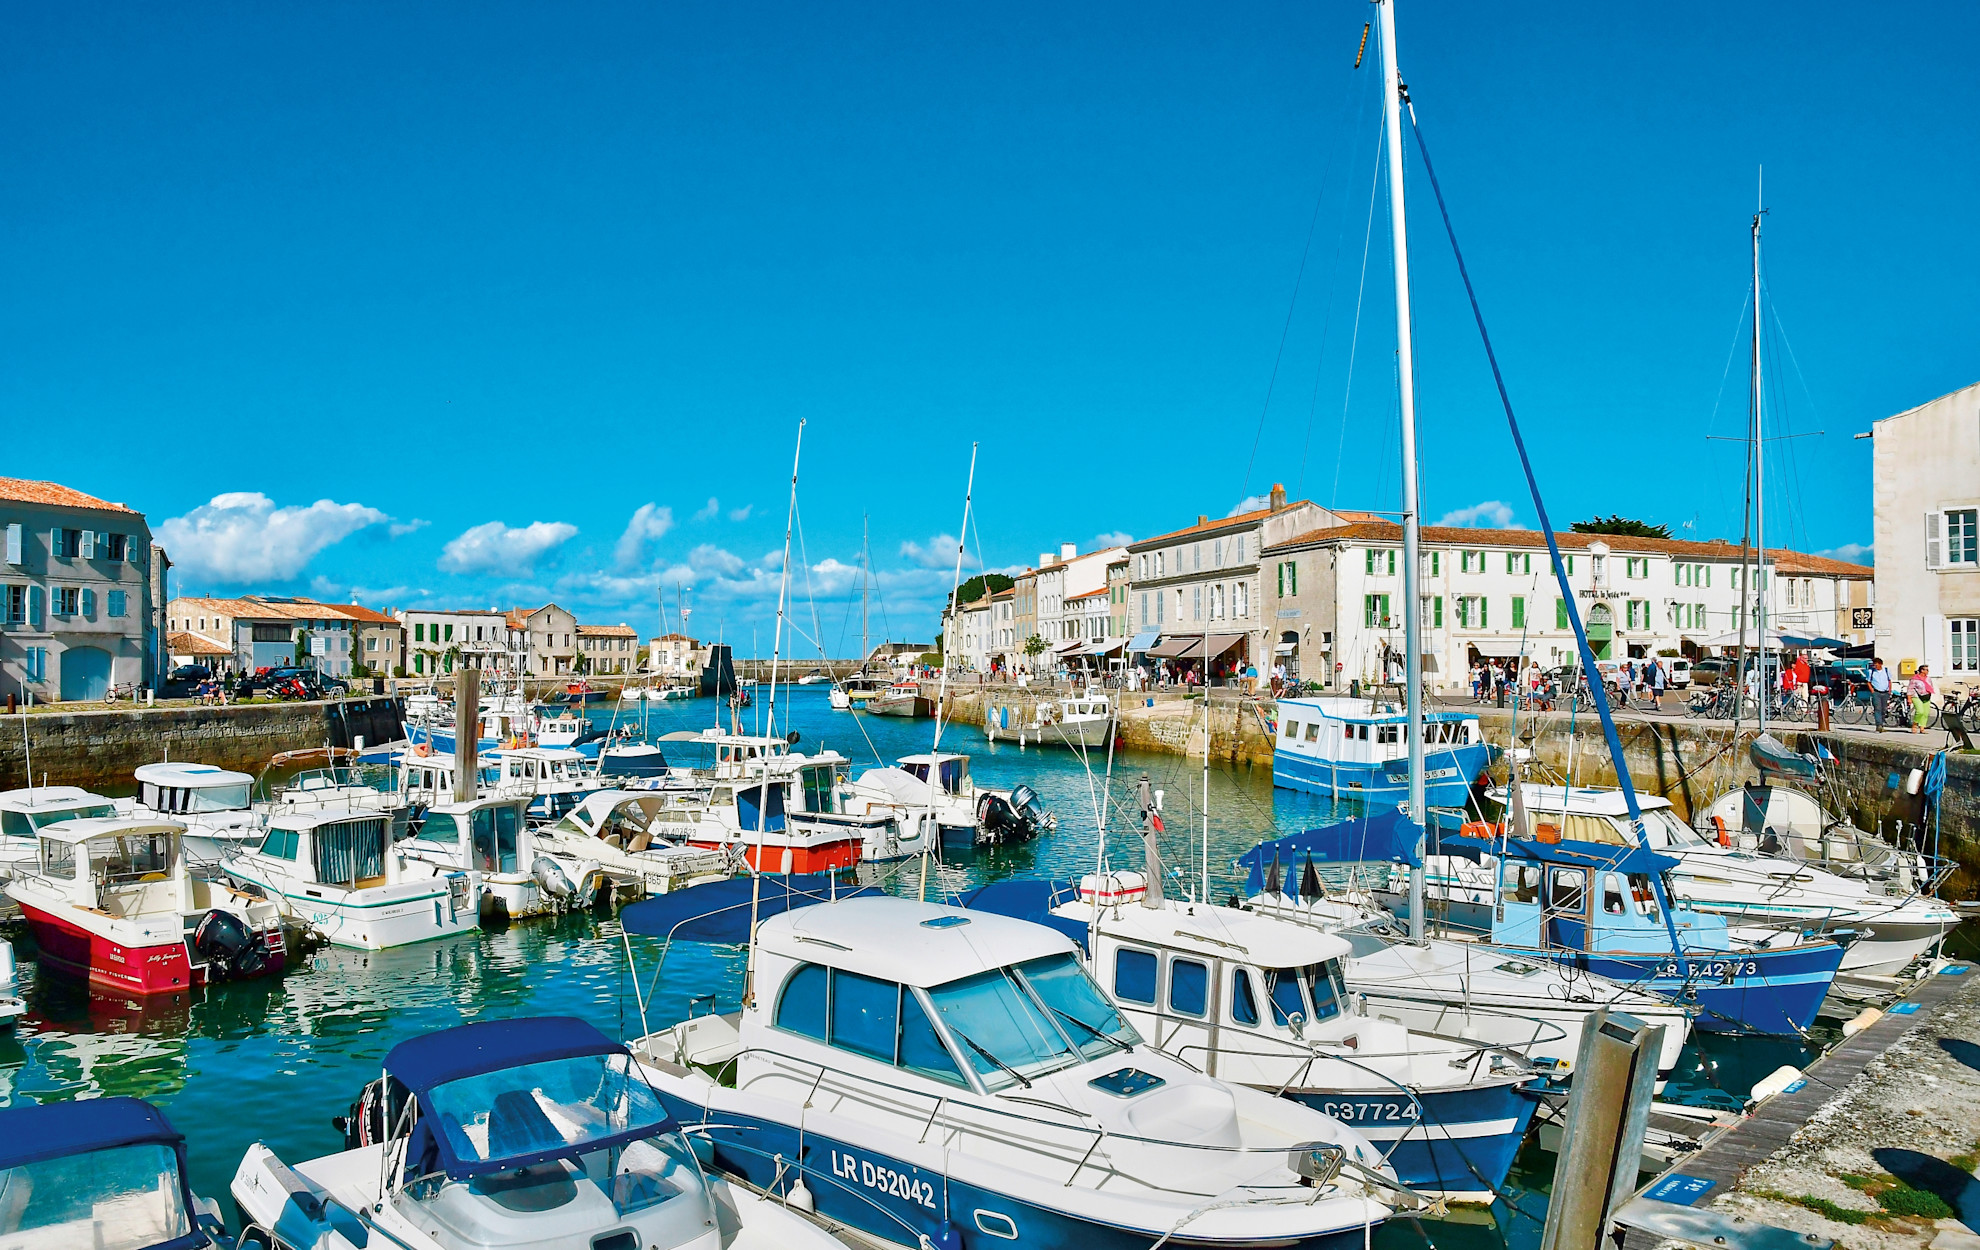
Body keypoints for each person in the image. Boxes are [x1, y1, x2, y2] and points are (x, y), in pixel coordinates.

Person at [1908, 665, 1935, 733]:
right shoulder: (1914, 679)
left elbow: (1931, 687)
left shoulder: (1928, 679)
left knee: (1925, 713)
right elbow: (1910, 688)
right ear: (1922, 670)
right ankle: (1915, 724)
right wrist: (1909, 698)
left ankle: (1922, 728)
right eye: (1926, 670)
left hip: (1926, 696)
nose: (1927, 671)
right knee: (1920, 711)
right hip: (1916, 696)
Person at [1868, 657, 1891, 732]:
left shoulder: (1886, 671)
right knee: (1877, 708)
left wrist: (1889, 690)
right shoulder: (1871, 672)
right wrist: (1872, 690)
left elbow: (1889, 680)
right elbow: (1868, 682)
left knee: (1884, 709)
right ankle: (1879, 725)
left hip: (1885, 692)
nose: (1875, 666)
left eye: (1876, 664)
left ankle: (1882, 723)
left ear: (1880, 664)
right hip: (1876, 692)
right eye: (1874, 664)